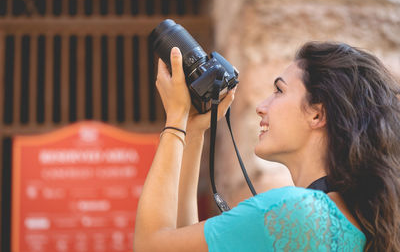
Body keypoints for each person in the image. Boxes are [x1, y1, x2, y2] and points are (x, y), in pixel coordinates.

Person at [133, 42, 400, 251]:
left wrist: (175, 117)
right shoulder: (355, 218)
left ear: (317, 114)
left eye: (279, 91)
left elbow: (150, 246)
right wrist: (193, 133)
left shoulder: (292, 211)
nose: (261, 107)